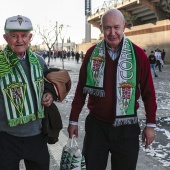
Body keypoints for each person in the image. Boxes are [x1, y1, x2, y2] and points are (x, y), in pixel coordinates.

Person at [68, 9, 157, 170]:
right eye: (107, 28)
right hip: (97, 127)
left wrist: (150, 125)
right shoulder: (91, 54)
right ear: (101, 28)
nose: (112, 32)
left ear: (124, 26)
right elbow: (81, 89)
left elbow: (148, 93)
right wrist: (73, 120)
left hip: (127, 129)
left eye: (116, 27)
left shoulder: (138, 55)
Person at [0, 15, 54, 169]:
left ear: (30, 37)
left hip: (36, 136)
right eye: (14, 36)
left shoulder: (39, 61)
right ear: (6, 37)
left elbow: (48, 85)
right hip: (6, 137)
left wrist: (49, 95)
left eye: (23, 36)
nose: (19, 40)